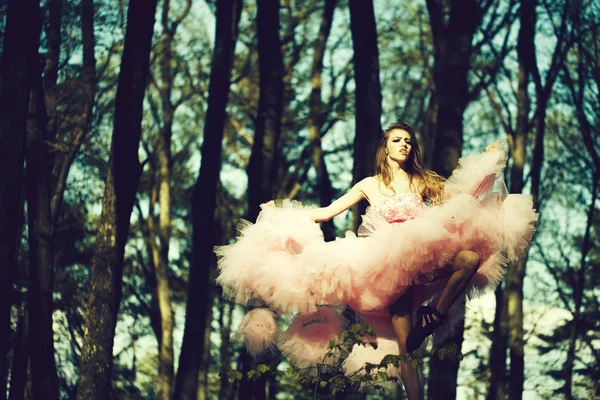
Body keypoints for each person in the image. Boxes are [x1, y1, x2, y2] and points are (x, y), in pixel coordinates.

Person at [215, 122, 537, 400]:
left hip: (422, 257)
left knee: (469, 259)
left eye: (408, 141)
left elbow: (463, 197)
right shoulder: (369, 184)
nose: (404, 145)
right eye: (397, 140)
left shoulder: (423, 180)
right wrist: (282, 216)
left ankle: (433, 316)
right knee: (406, 349)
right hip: (385, 269)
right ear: (385, 147)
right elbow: (327, 212)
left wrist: (487, 164)